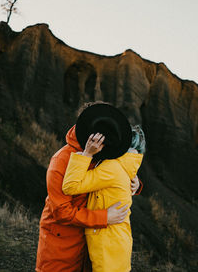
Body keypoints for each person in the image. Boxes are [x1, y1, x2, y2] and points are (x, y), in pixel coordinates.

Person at [35, 102, 143, 272]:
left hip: (88, 241)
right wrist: (104, 217)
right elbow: (61, 212)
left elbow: (112, 179)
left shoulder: (103, 156)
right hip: (61, 241)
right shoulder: (61, 160)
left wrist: (135, 184)